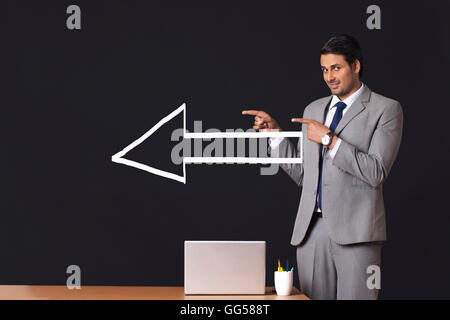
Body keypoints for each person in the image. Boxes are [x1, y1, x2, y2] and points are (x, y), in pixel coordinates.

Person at [242, 34, 403, 300]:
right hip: (310, 233)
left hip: (357, 234)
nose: (329, 76)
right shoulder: (314, 109)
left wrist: (330, 140)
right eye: (324, 70)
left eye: (336, 68)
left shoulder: (385, 109)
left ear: (356, 65)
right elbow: (305, 177)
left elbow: (376, 172)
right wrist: (275, 135)